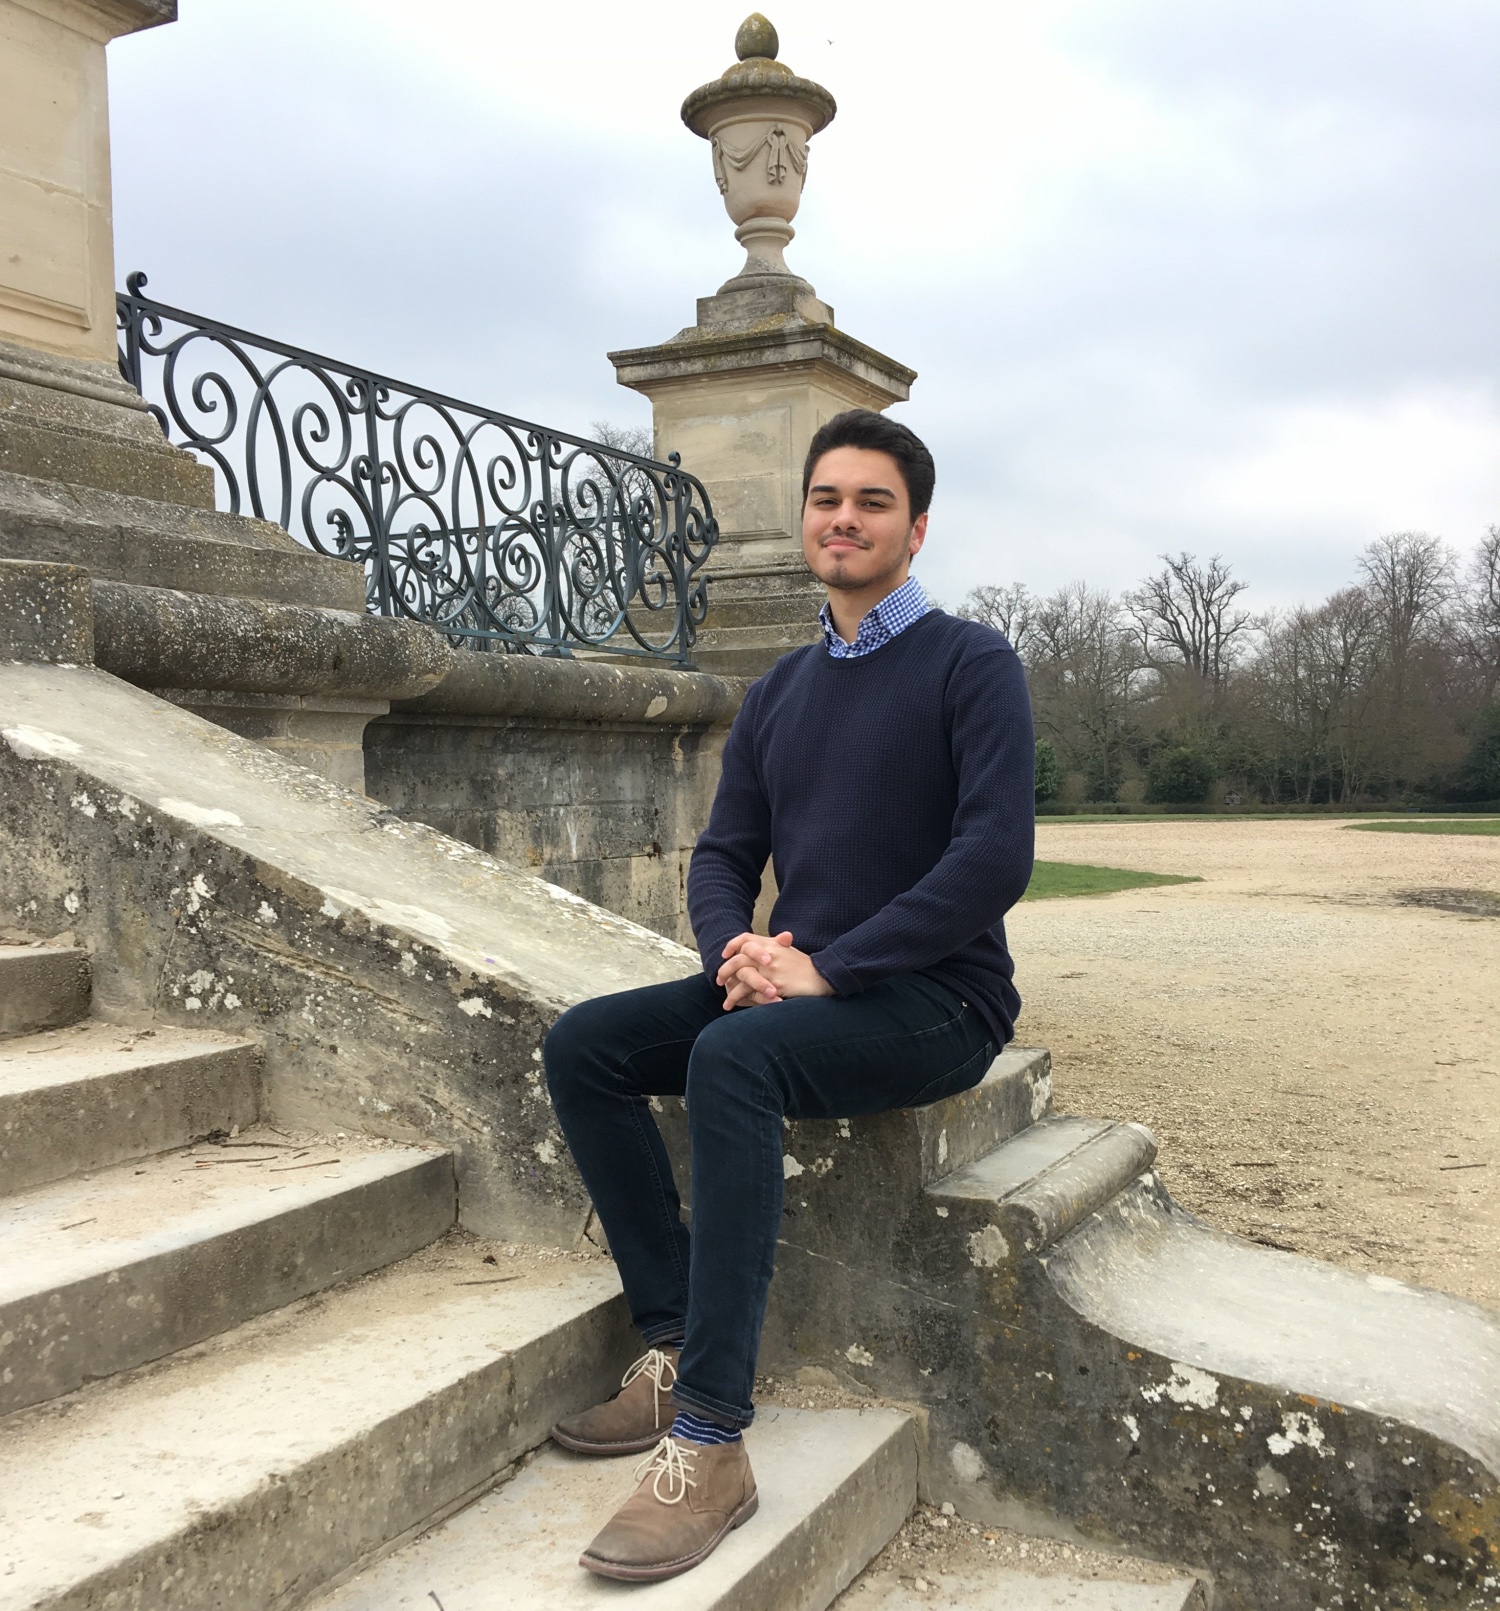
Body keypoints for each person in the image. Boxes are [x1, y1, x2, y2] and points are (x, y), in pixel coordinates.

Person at [543, 408, 1035, 1583]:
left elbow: (992, 857)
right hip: (800, 988)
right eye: (828, 499)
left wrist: (826, 966)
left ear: (915, 528)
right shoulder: (779, 690)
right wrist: (736, 956)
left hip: (936, 1001)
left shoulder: (972, 664)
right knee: (588, 1046)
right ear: (806, 517)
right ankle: (670, 1342)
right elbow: (724, 855)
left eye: (872, 502)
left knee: (734, 1061)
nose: (845, 519)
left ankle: (713, 1442)